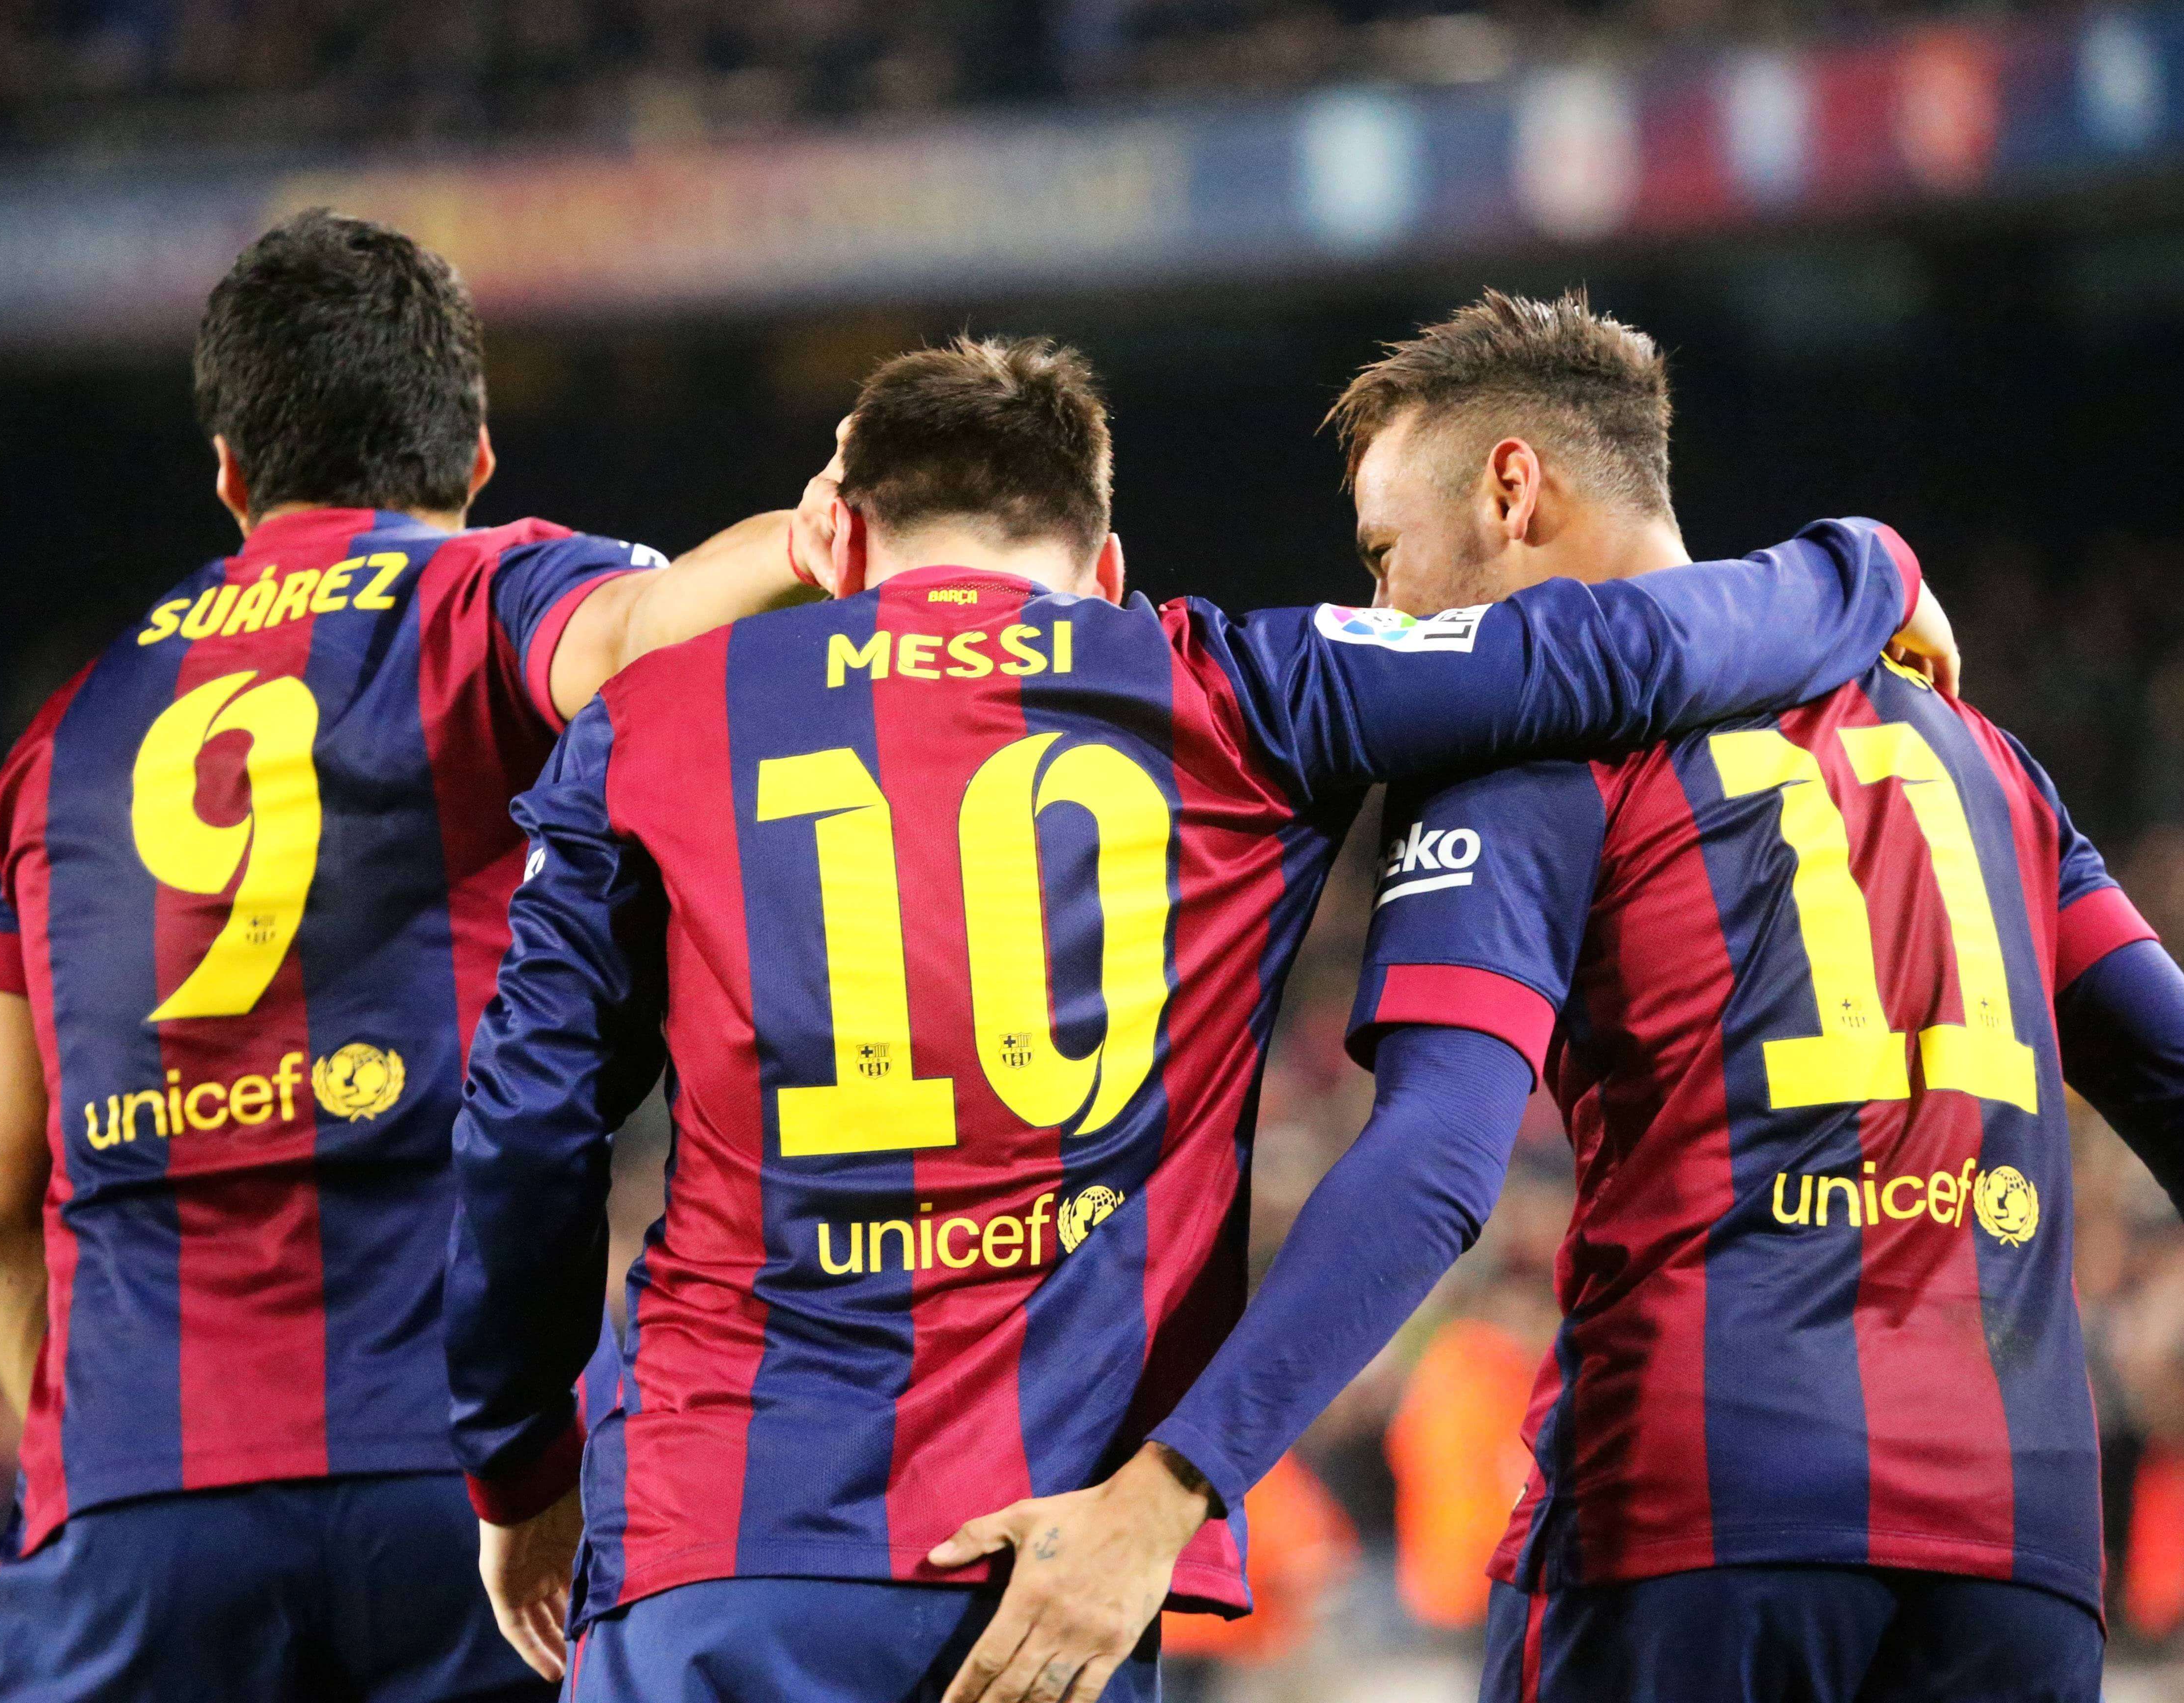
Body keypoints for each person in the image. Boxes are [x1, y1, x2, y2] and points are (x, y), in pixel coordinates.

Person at [442, 329, 1952, 1703]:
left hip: (719, 1538)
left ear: (835, 539)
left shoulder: (645, 724)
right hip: (1060, 1571)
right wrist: (1863, 568)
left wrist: (517, 1473)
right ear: (1107, 568)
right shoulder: (1234, 686)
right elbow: (1618, 649)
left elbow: (524, 1132)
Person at [963, 290, 2184, 1703]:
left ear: (1512, 490)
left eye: (1388, 551)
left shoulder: (1531, 764)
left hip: (1692, 1527)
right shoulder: (1981, 757)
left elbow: (1437, 1167)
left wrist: (1171, 1485)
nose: (1380, 607)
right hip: (2014, 1555)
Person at [0, 208, 810, 1703]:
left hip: (135, 1503)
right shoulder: (481, 598)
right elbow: (641, 637)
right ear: (474, 456)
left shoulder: (51, 742)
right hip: (475, 1486)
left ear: (226, 473)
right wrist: (832, 524)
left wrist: (95, 1461)